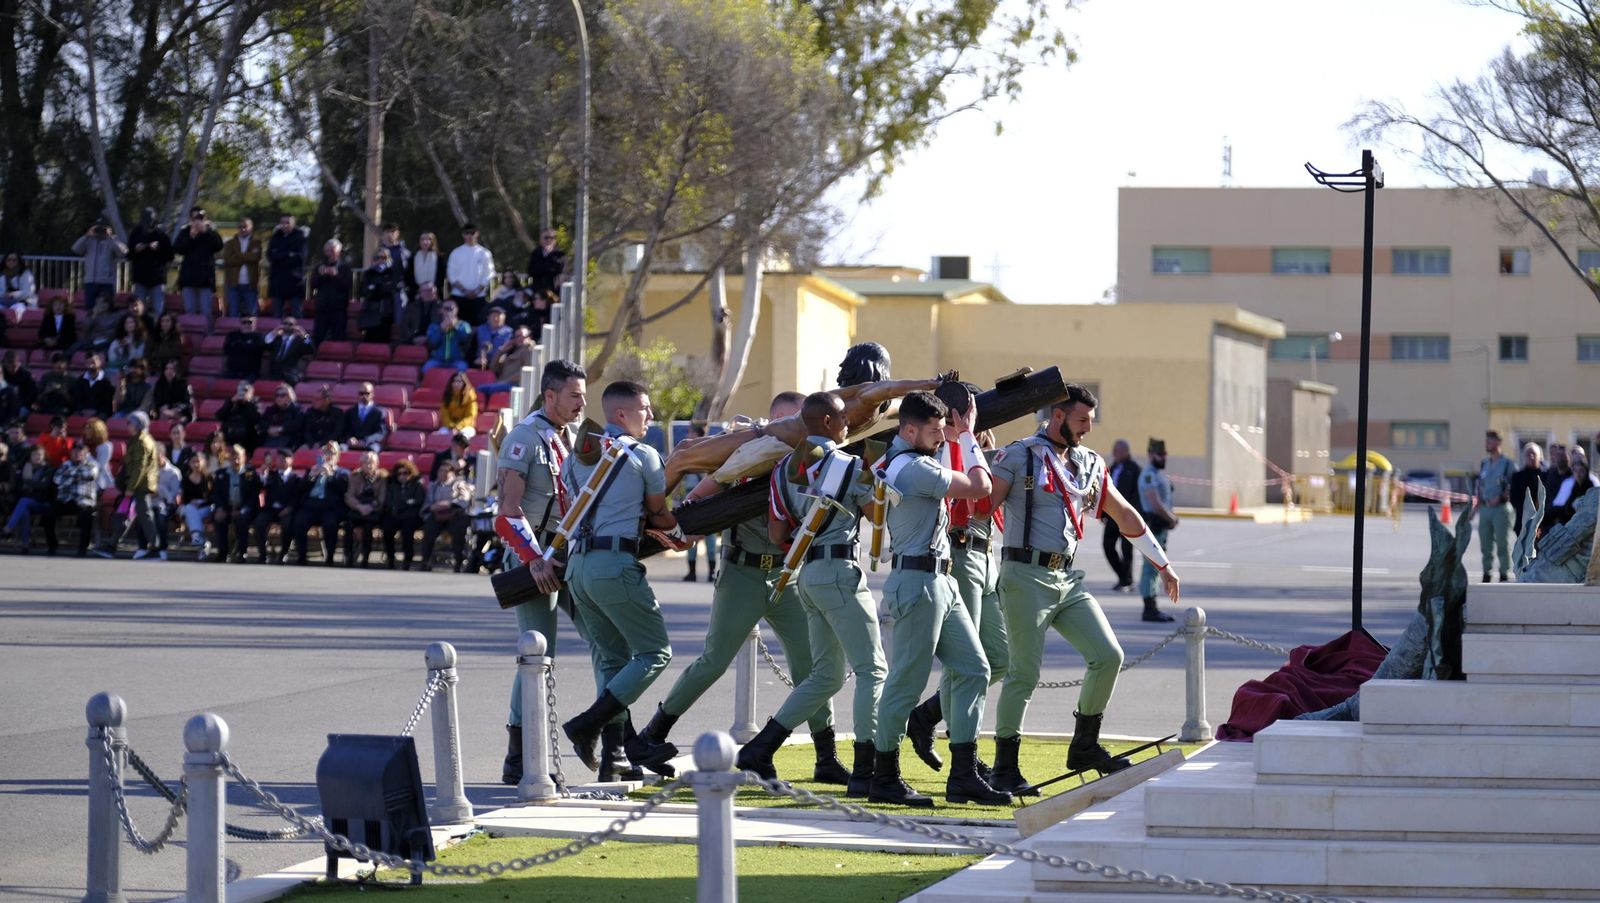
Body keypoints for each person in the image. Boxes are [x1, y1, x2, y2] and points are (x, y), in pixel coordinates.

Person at [641, 392, 850, 787]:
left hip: (785, 575)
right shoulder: (742, 461)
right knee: (714, 661)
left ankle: (826, 757)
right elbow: (697, 505)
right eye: (785, 424)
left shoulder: (813, 463)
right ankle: (652, 735)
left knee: (814, 667)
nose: (791, 434)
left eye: (797, 425)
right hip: (743, 572)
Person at [984, 389, 1181, 797]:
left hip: (1067, 579)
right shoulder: (1020, 454)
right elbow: (985, 505)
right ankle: (1005, 767)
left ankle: (1085, 747)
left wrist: (1162, 564)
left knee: (1109, 656)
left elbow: (1123, 513)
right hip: (1024, 575)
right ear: (1057, 416)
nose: (1089, 428)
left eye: (1091, 420)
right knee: (1023, 674)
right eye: (1082, 420)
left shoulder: (1089, 463)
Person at [851, 389, 1006, 807]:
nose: (942, 438)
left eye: (945, 430)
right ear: (909, 429)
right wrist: (968, 436)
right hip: (917, 581)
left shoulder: (912, 458)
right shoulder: (910, 467)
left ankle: (963, 776)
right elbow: (978, 487)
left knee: (975, 669)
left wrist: (955, 432)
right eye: (936, 431)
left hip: (940, 579)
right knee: (906, 683)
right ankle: (883, 775)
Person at [746, 391, 884, 793]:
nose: (848, 426)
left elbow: (777, 533)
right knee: (873, 670)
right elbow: (879, 513)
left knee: (825, 676)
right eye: (843, 420)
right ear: (827, 422)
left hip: (806, 572)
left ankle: (761, 747)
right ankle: (866, 768)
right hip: (840, 571)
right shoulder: (848, 465)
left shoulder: (782, 469)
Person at [557, 380, 687, 775]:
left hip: (578, 567)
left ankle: (613, 758)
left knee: (612, 660)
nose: (650, 415)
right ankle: (588, 724)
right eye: (645, 408)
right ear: (621, 415)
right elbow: (659, 513)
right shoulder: (644, 455)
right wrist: (679, 531)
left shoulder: (573, 458)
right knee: (654, 652)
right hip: (614, 564)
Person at [493, 358, 597, 783]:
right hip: (534, 559)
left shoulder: (568, 436)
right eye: (575, 395)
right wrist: (534, 560)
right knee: (539, 654)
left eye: (584, 395)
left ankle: (606, 736)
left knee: (604, 638)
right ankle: (522, 757)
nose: (582, 403)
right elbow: (507, 511)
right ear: (550, 395)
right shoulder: (524, 438)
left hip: (569, 556)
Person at [901, 383, 1010, 780]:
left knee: (999, 659)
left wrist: (979, 443)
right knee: (964, 664)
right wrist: (963, 438)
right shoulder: (944, 449)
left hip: (986, 553)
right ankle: (966, 753)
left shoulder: (980, 446)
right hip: (960, 552)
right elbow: (973, 500)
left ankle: (927, 716)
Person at [1137, 439, 1178, 622]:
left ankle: (1152, 605)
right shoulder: (1149, 475)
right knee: (1151, 566)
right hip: (1154, 523)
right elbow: (1154, 502)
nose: (1164, 458)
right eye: (1160, 455)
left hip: (1160, 525)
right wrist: (1171, 517)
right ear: (1151, 455)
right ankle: (1149, 607)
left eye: (1164, 455)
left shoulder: (1158, 474)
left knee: (1155, 567)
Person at [291, 447, 347, 565]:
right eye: (326, 453)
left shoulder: (342, 472)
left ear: (338, 457)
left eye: (332, 454)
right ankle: (301, 556)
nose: (328, 456)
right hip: (311, 505)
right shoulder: (312, 470)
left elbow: (343, 490)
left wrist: (331, 475)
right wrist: (311, 476)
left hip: (329, 507)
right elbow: (299, 489)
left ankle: (330, 557)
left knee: (330, 524)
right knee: (299, 521)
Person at [677, 425, 718, 583]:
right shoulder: (686, 453)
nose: (689, 435)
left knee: (710, 538)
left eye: (691, 432)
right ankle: (692, 572)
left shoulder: (706, 452)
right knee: (691, 534)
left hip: (706, 497)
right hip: (690, 498)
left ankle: (711, 572)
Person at [44, 441, 100, 556]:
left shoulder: (92, 464)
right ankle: (52, 546)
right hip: (65, 499)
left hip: (84, 500)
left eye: (80, 452)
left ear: (86, 453)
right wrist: (75, 475)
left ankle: (82, 549)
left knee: (86, 516)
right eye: (75, 451)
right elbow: (57, 480)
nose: (77, 454)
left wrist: (69, 475)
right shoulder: (66, 464)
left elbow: (90, 475)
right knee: (49, 514)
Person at [119, 411, 162, 559]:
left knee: (145, 515)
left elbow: (139, 467)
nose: (128, 426)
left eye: (130, 423)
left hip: (140, 485)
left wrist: (130, 488)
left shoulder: (142, 442)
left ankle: (155, 547)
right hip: (139, 484)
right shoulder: (138, 439)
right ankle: (112, 542)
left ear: (138, 425)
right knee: (141, 515)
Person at [208, 444, 261, 562]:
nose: (236, 460)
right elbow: (216, 494)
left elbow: (253, 496)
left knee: (242, 520)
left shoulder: (250, 474)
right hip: (226, 507)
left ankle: (242, 552)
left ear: (244, 458)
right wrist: (220, 507)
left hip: (244, 508)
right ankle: (223, 552)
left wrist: (243, 510)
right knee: (219, 519)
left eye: (238, 457)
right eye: (233, 457)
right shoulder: (221, 474)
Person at [1101, 439, 1142, 593]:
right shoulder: (1113, 467)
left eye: (1117, 451)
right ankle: (1122, 576)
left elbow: (1137, 496)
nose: (1114, 454)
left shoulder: (1135, 469)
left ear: (1125, 451)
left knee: (1126, 549)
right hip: (1112, 516)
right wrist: (1103, 513)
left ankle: (1127, 580)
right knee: (1108, 546)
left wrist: (1132, 515)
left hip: (1127, 517)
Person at [418, 459, 472, 572]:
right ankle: (425, 562)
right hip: (437, 515)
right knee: (428, 530)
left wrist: (448, 504)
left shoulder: (459, 484)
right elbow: (428, 504)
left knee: (459, 532)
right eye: (441, 471)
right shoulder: (433, 485)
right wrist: (433, 508)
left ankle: (458, 563)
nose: (443, 473)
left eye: (446, 471)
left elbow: (464, 500)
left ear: (452, 473)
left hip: (453, 515)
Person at [1476, 430, 1516, 583]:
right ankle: (1487, 572)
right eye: (1487, 440)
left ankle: (1504, 573)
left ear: (1499, 442)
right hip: (1485, 509)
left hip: (1501, 509)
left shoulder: (1507, 463)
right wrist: (1476, 505)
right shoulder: (1485, 463)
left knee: (1502, 544)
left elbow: (1512, 485)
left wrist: (1500, 497)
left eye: (1491, 440)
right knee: (1485, 544)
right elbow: (1480, 484)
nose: (1487, 443)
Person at [172, 207, 223, 323]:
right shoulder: (185, 231)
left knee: (206, 311)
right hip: (188, 279)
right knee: (189, 310)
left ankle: (206, 337)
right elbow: (177, 248)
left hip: (205, 280)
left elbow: (219, 245)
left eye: (200, 218)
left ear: (205, 219)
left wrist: (206, 231)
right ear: (190, 219)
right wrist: (191, 237)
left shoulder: (211, 231)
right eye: (194, 218)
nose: (197, 221)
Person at [2, 445, 54, 552]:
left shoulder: (48, 469)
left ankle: (9, 527)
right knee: (24, 510)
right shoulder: (24, 468)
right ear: (30, 456)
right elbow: (19, 487)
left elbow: (44, 486)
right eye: (35, 454)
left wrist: (27, 482)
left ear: (44, 456)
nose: (37, 457)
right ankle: (25, 544)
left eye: (40, 455)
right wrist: (32, 484)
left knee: (24, 501)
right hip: (26, 502)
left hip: (42, 502)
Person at [252, 448, 299, 563]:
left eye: (285, 458)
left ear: (291, 460)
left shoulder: (296, 478)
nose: (282, 460)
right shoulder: (271, 475)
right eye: (280, 458)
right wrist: (263, 475)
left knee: (287, 523)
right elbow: (260, 486)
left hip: (286, 510)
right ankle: (263, 553)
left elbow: (297, 497)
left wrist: (288, 508)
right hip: (270, 510)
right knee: (259, 522)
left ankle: (284, 553)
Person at [343, 450, 386, 567]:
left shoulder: (382, 478)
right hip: (358, 508)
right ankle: (348, 555)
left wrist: (371, 507)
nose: (369, 465)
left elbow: (382, 498)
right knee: (348, 525)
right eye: (365, 462)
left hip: (373, 509)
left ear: (376, 463)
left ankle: (365, 557)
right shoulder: (354, 476)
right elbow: (349, 495)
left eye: (371, 462)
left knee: (367, 527)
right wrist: (359, 506)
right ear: (361, 464)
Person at [73, 219, 127, 311]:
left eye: (103, 228)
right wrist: (87, 235)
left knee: (107, 309)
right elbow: (75, 249)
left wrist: (111, 238)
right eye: (97, 228)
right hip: (90, 282)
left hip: (106, 283)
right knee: (90, 309)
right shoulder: (88, 240)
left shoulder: (112, 240)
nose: (100, 231)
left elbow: (123, 253)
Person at [127, 208, 173, 315]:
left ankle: (157, 330)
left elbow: (170, 256)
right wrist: (136, 249)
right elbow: (129, 255)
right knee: (138, 310)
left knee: (158, 311)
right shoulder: (136, 233)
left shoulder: (161, 234)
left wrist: (158, 249)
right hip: (140, 278)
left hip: (157, 279)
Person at [382, 457, 426, 569]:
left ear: (410, 473)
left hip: (411, 516)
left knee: (407, 532)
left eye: (405, 473)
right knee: (387, 529)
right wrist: (406, 503)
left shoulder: (417, 485)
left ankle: (408, 559)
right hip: (395, 514)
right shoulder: (392, 485)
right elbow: (389, 501)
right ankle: (391, 558)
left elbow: (419, 500)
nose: (402, 476)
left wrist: (406, 504)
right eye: (399, 473)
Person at [446, 223, 494, 325]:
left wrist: (476, 291)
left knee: (478, 326)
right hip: (459, 296)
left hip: (479, 297)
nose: (470, 236)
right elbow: (451, 275)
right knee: (459, 326)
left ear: (477, 234)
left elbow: (489, 274)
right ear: (463, 235)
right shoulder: (456, 253)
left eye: (472, 233)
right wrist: (464, 290)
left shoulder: (485, 253)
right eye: (467, 233)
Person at [1544, 446, 1598, 533]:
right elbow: (1558, 507)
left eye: (1581, 467)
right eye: (1576, 467)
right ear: (1572, 468)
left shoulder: (1593, 484)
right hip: (1569, 529)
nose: (1579, 472)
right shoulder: (1569, 483)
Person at [310, 240, 353, 346]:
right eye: (327, 251)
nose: (329, 253)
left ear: (339, 251)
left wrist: (337, 275)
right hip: (322, 308)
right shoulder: (320, 266)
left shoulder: (345, 268)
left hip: (338, 309)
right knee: (318, 337)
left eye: (332, 250)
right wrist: (320, 274)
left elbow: (347, 286)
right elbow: (313, 285)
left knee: (338, 337)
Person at [267, 213, 308, 318]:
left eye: (288, 223)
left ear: (293, 224)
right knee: (276, 315)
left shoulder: (300, 238)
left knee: (297, 314)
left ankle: (297, 335)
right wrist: (288, 254)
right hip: (277, 282)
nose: (285, 225)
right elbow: (270, 255)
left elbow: (300, 257)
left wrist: (280, 256)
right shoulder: (275, 237)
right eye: (282, 223)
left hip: (294, 283)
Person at [358, 247, 403, 342]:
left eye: (383, 257)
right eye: (377, 258)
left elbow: (390, 289)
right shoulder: (369, 273)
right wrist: (375, 287)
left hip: (385, 312)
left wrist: (375, 287)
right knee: (369, 341)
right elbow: (363, 291)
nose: (380, 260)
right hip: (370, 312)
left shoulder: (392, 273)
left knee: (383, 340)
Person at [478, 325, 534, 400]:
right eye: (516, 337)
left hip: (514, 385)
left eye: (522, 336)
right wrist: (501, 351)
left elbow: (526, 371)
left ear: (529, 337)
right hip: (503, 383)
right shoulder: (512, 352)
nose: (519, 338)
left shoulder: (528, 349)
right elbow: (493, 368)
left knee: (481, 389)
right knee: (481, 389)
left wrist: (505, 381)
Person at [221, 217, 263, 317]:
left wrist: (237, 255)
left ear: (251, 227)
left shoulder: (256, 242)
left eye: (245, 226)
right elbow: (228, 260)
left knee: (252, 313)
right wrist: (247, 256)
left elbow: (256, 257)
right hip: (233, 283)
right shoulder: (230, 243)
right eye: (240, 227)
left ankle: (251, 333)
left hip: (250, 284)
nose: (243, 229)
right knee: (233, 313)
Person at [177, 451, 213, 550]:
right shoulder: (185, 479)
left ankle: (198, 539)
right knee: (189, 509)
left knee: (192, 515)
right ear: (189, 463)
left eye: (198, 461)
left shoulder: (209, 478)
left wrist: (201, 503)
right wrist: (191, 503)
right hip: (188, 507)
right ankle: (199, 538)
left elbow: (212, 497)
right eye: (193, 462)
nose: (196, 464)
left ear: (203, 462)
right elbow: (183, 498)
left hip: (205, 507)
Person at [424, 300, 472, 372]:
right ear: (441, 310)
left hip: (457, 360)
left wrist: (455, 327)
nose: (449, 311)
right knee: (426, 369)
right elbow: (432, 343)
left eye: (451, 308)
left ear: (457, 310)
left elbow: (466, 339)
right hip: (437, 360)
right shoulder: (434, 325)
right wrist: (441, 330)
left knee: (462, 369)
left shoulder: (464, 324)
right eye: (446, 308)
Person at [1510, 442, 1545, 536]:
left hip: (1542, 523)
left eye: (1534, 454)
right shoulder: (1517, 477)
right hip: (1522, 521)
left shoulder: (1546, 476)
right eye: (1528, 454)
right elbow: (1513, 498)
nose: (1531, 457)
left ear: (1540, 456)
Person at [218, 381, 263, 452]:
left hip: (248, 439)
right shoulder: (232, 402)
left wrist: (248, 402)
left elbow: (255, 418)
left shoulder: (255, 403)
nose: (243, 393)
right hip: (230, 436)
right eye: (241, 390)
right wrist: (231, 402)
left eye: (246, 391)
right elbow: (219, 416)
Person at [341, 382, 388, 450]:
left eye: (367, 393)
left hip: (370, 443)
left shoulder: (379, 412)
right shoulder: (350, 412)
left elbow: (380, 432)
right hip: (352, 443)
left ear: (372, 394)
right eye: (361, 393)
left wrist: (365, 441)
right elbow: (345, 430)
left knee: (373, 450)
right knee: (341, 449)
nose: (364, 396)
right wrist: (349, 438)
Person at [154, 444, 183, 553]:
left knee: (161, 516)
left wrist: (161, 491)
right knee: (142, 513)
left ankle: (162, 548)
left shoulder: (174, 472)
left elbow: (174, 496)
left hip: (168, 504)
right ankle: (143, 547)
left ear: (162, 455)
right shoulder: (149, 470)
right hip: (152, 501)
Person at [526, 227, 564, 307]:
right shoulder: (535, 254)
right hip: (538, 288)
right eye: (546, 238)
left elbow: (560, 269)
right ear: (541, 239)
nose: (549, 240)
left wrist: (547, 259)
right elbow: (531, 270)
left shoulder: (560, 254)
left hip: (554, 290)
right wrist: (548, 267)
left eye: (552, 238)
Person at [260, 383, 305, 449]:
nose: (279, 398)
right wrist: (268, 429)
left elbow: (297, 424)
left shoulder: (297, 410)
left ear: (290, 396)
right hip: (271, 440)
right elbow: (262, 422)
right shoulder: (270, 410)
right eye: (277, 395)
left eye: (283, 395)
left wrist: (281, 429)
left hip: (290, 442)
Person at [223, 314, 265, 380]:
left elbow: (257, 350)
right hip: (232, 371)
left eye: (250, 322)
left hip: (251, 373)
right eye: (244, 322)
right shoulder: (232, 335)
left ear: (255, 323)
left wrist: (238, 345)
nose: (247, 325)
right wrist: (247, 346)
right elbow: (227, 350)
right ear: (240, 324)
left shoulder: (259, 337)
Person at [406, 231, 446, 301]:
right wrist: (418, 289)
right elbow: (409, 275)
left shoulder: (439, 258)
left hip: (434, 292)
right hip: (416, 292)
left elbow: (441, 276)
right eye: (423, 239)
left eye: (428, 239)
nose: (425, 242)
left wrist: (433, 288)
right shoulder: (413, 258)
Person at [152, 359, 195, 423]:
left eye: (171, 369)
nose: (168, 371)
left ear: (176, 370)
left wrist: (171, 408)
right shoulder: (160, 384)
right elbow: (157, 400)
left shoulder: (184, 384)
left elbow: (187, 403)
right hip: (163, 412)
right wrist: (161, 407)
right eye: (166, 369)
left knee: (165, 415)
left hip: (182, 412)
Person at [73, 353, 115, 419]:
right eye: (88, 363)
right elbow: (78, 399)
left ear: (99, 362)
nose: (91, 365)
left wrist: (95, 412)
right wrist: (83, 410)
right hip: (83, 412)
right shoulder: (80, 381)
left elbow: (108, 402)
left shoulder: (107, 381)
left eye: (93, 362)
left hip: (101, 412)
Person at [474, 305, 513, 370]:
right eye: (494, 316)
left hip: (499, 363)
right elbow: (472, 348)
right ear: (488, 317)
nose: (496, 319)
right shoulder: (480, 329)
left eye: (499, 316)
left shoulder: (509, 332)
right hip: (480, 362)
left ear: (504, 318)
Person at [440, 370, 478, 436]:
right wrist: (451, 427)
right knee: (440, 434)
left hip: (466, 427)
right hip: (449, 427)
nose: (456, 383)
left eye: (459, 381)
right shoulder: (447, 396)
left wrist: (458, 427)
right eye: (454, 381)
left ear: (464, 383)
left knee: (463, 435)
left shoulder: (470, 397)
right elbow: (444, 415)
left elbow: (470, 416)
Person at [1, 252, 36, 323]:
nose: (11, 262)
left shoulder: (26, 273)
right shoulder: (1, 273)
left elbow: (28, 292)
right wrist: (4, 295)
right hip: (3, 300)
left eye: (14, 260)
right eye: (9, 260)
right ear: (5, 261)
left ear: (18, 261)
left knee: (19, 309)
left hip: (22, 301)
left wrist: (13, 295)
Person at [148, 311, 186, 375]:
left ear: (172, 323)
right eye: (162, 321)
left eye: (167, 321)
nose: (165, 324)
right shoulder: (154, 336)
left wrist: (157, 353)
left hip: (171, 367)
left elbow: (174, 353)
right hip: (156, 366)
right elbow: (149, 353)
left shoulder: (177, 337)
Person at [2, 350, 38, 414]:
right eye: (8, 367)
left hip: (22, 405)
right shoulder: (1, 374)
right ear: (4, 364)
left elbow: (31, 395)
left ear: (19, 363)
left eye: (14, 366)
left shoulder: (27, 375)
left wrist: (19, 404)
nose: (11, 369)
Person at [1543, 443, 1571, 513]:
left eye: (1563, 456)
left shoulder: (1573, 477)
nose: (1560, 459)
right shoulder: (1550, 476)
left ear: (1569, 458)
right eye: (1558, 456)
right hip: (1551, 517)